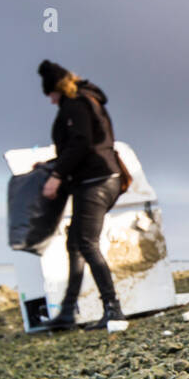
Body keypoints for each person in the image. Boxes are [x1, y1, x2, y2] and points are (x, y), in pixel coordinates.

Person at [35, 59, 126, 330]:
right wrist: (50, 166)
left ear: (57, 89)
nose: (51, 101)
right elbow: (78, 147)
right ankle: (66, 313)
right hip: (101, 179)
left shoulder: (76, 104)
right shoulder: (88, 100)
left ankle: (113, 309)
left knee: (86, 243)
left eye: (50, 94)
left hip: (97, 181)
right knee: (75, 243)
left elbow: (81, 143)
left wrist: (56, 175)